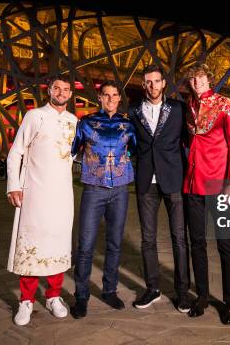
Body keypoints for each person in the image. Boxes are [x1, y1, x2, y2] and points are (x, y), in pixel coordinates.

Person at [6, 74, 78, 326]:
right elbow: (15, 152)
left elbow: (78, 155)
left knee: (58, 242)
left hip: (62, 194)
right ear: (49, 90)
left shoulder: (73, 121)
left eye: (66, 89)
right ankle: (25, 300)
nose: (61, 92)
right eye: (57, 88)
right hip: (35, 192)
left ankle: (53, 296)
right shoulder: (34, 116)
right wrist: (13, 186)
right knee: (32, 242)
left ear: (70, 94)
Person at [70, 80, 137, 319]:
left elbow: (135, 151)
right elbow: (74, 151)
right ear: (99, 97)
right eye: (106, 95)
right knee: (85, 245)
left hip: (119, 190)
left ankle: (109, 290)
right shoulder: (86, 123)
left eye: (114, 95)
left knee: (114, 244)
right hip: (94, 189)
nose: (110, 99)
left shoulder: (128, 125)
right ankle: (81, 296)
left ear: (120, 98)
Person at [183, 62, 230, 325]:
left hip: (218, 184)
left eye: (201, 78)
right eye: (193, 79)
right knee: (197, 243)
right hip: (193, 184)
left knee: (225, 244)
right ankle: (203, 296)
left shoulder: (225, 104)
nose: (197, 83)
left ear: (210, 78)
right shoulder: (189, 105)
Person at [128, 64, 191, 313]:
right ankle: (152, 288)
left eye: (156, 81)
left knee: (179, 238)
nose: (152, 85)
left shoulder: (178, 109)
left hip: (174, 180)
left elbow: (189, 140)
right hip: (146, 182)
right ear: (143, 85)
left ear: (164, 83)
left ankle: (182, 292)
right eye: (148, 82)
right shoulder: (133, 110)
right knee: (147, 239)